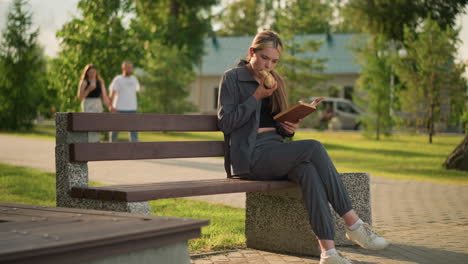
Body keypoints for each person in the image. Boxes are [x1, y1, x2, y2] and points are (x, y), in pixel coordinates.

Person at [217, 31, 389, 264]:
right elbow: (226, 123)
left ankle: (328, 253)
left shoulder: (275, 81)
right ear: (251, 53)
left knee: (308, 170)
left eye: (274, 61)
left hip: (275, 150)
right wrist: (256, 96)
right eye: (265, 58)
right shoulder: (232, 78)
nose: (269, 65)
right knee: (314, 148)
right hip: (250, 156)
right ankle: (354, 224)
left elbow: (274, 124)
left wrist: (288, 129)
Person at [77, 64, 111, 142]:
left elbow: (104, 96)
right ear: (87, 73)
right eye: (90, 72)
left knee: (97, 125)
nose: (92, 74)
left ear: (96, 73)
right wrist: (88, 89)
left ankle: (96, 141)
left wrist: (110, 106)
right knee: (89, 124)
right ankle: (89, 141)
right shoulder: (84, 82)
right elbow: (80, 97)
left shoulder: (100, 82)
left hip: (98, 104)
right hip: (88, 104)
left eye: (94, 72)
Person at [109, 61, 140, 142]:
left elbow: (136, 92)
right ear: (123, 68)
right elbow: (112, 93)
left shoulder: (134, 79)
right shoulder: (118, 79)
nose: (130, 69)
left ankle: (134, 149)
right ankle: (111, 148)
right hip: (119, 109)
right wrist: (111, 106)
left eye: (131, 68)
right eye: (128, 68)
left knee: (134, 132)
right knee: (114, 131)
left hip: (132, 109)